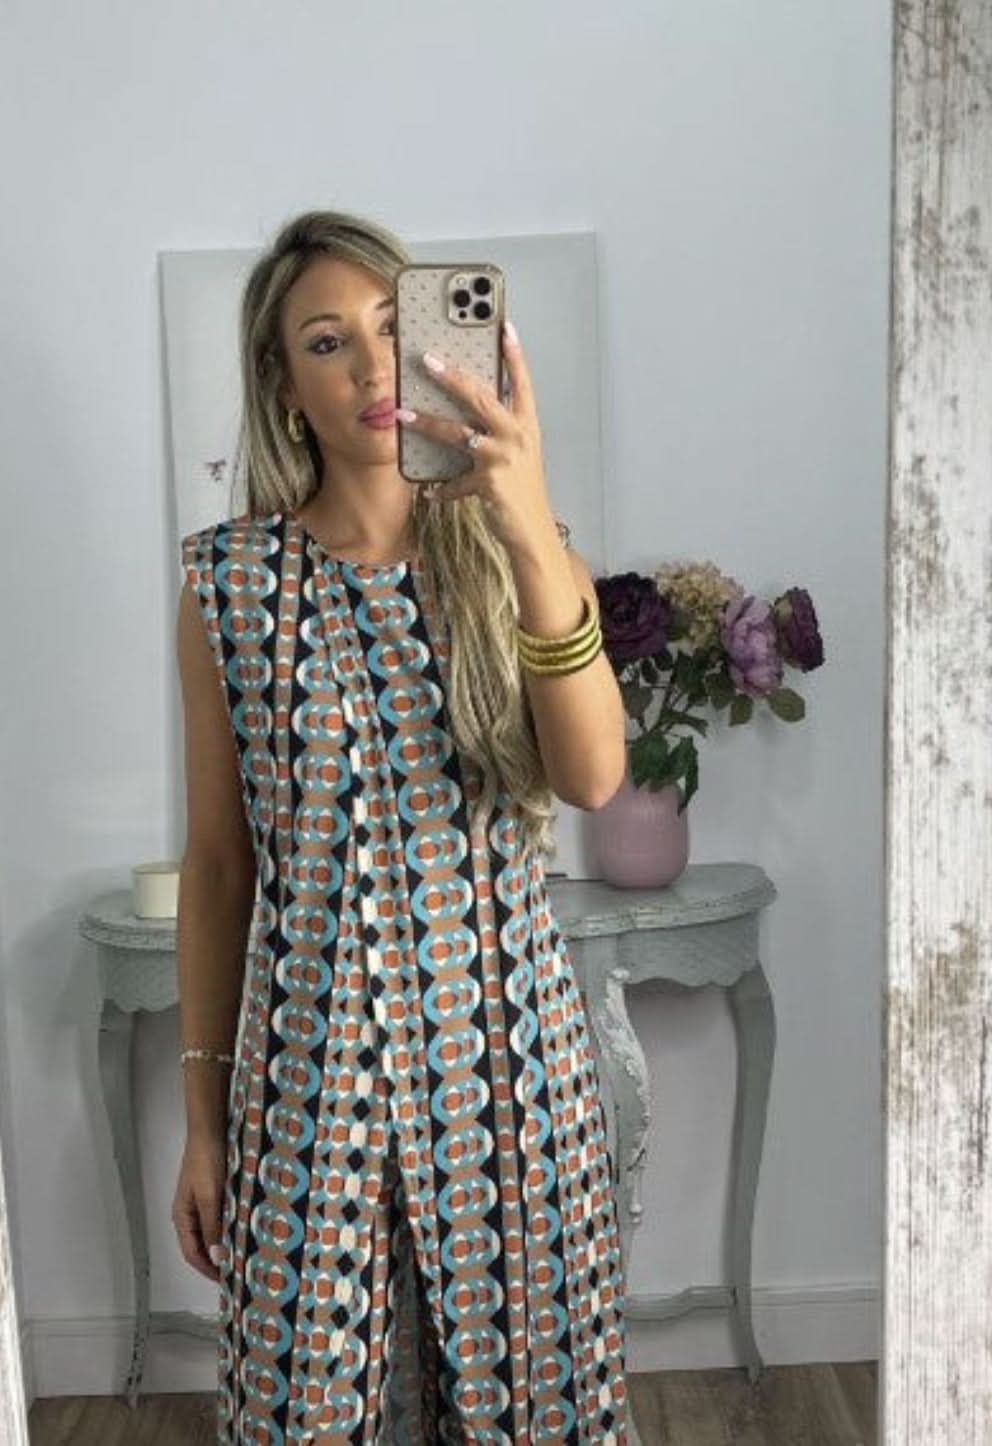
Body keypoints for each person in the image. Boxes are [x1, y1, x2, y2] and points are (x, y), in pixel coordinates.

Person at [173, 208, 630, 1444]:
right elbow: (218, 864)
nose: (372, 366)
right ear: (285, 386)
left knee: (534, 1414)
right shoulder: (226, 583)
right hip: (305, 1073)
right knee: (295, 1413)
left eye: (392, 326)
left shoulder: (522, 553)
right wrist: (204, 1123)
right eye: (328, 342)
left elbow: (594, 779)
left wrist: (525, 518)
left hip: (509, 1068)